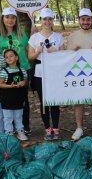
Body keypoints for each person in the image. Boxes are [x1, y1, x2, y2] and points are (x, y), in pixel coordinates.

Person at [66, 8, 92, 140]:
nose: (85, 22)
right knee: (78, 101)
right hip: (78, 73)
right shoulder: (72, 36)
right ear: (79, 20)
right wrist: (72, 51)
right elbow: (66, 57)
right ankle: (79, 128)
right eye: (83, 19)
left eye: (88, 19)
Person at [27, 8, 65, 140]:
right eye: (45, 19)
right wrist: (37, 51)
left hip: (54, 72)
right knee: (44, 101)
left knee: (54, 100)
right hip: (39, 73)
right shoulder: (35, 37)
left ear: (52, 21)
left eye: (50, 19)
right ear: (41, 20)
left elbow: (64, 56)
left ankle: (55, 127)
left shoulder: (58, 37)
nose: (47, 22)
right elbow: (30, 57)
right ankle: (47, 129)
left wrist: (56, 52)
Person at [0, 7, 32, 135]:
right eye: (7, 17)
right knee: (8, 99)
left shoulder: (21, 33)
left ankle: (24, 126)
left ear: (16, 19)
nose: (10, 20)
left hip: (22, 70)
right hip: (5, 72)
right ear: (2, 19)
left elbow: (28, 50)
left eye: (13, 17)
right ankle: (9, 128)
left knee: (23, 99)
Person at [0, 49, 28, 141]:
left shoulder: (22, 70)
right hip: (7, 98)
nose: (9, 58)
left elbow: (25, 80)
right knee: (8, 117)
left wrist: (23, 82)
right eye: (6, 57)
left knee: (18, 116)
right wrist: (9, 86)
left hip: (18, 98)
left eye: (11, 56)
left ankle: (20, 131)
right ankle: (9, 133)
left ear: (16, 58)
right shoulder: (4, 71)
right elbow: (0, 84)